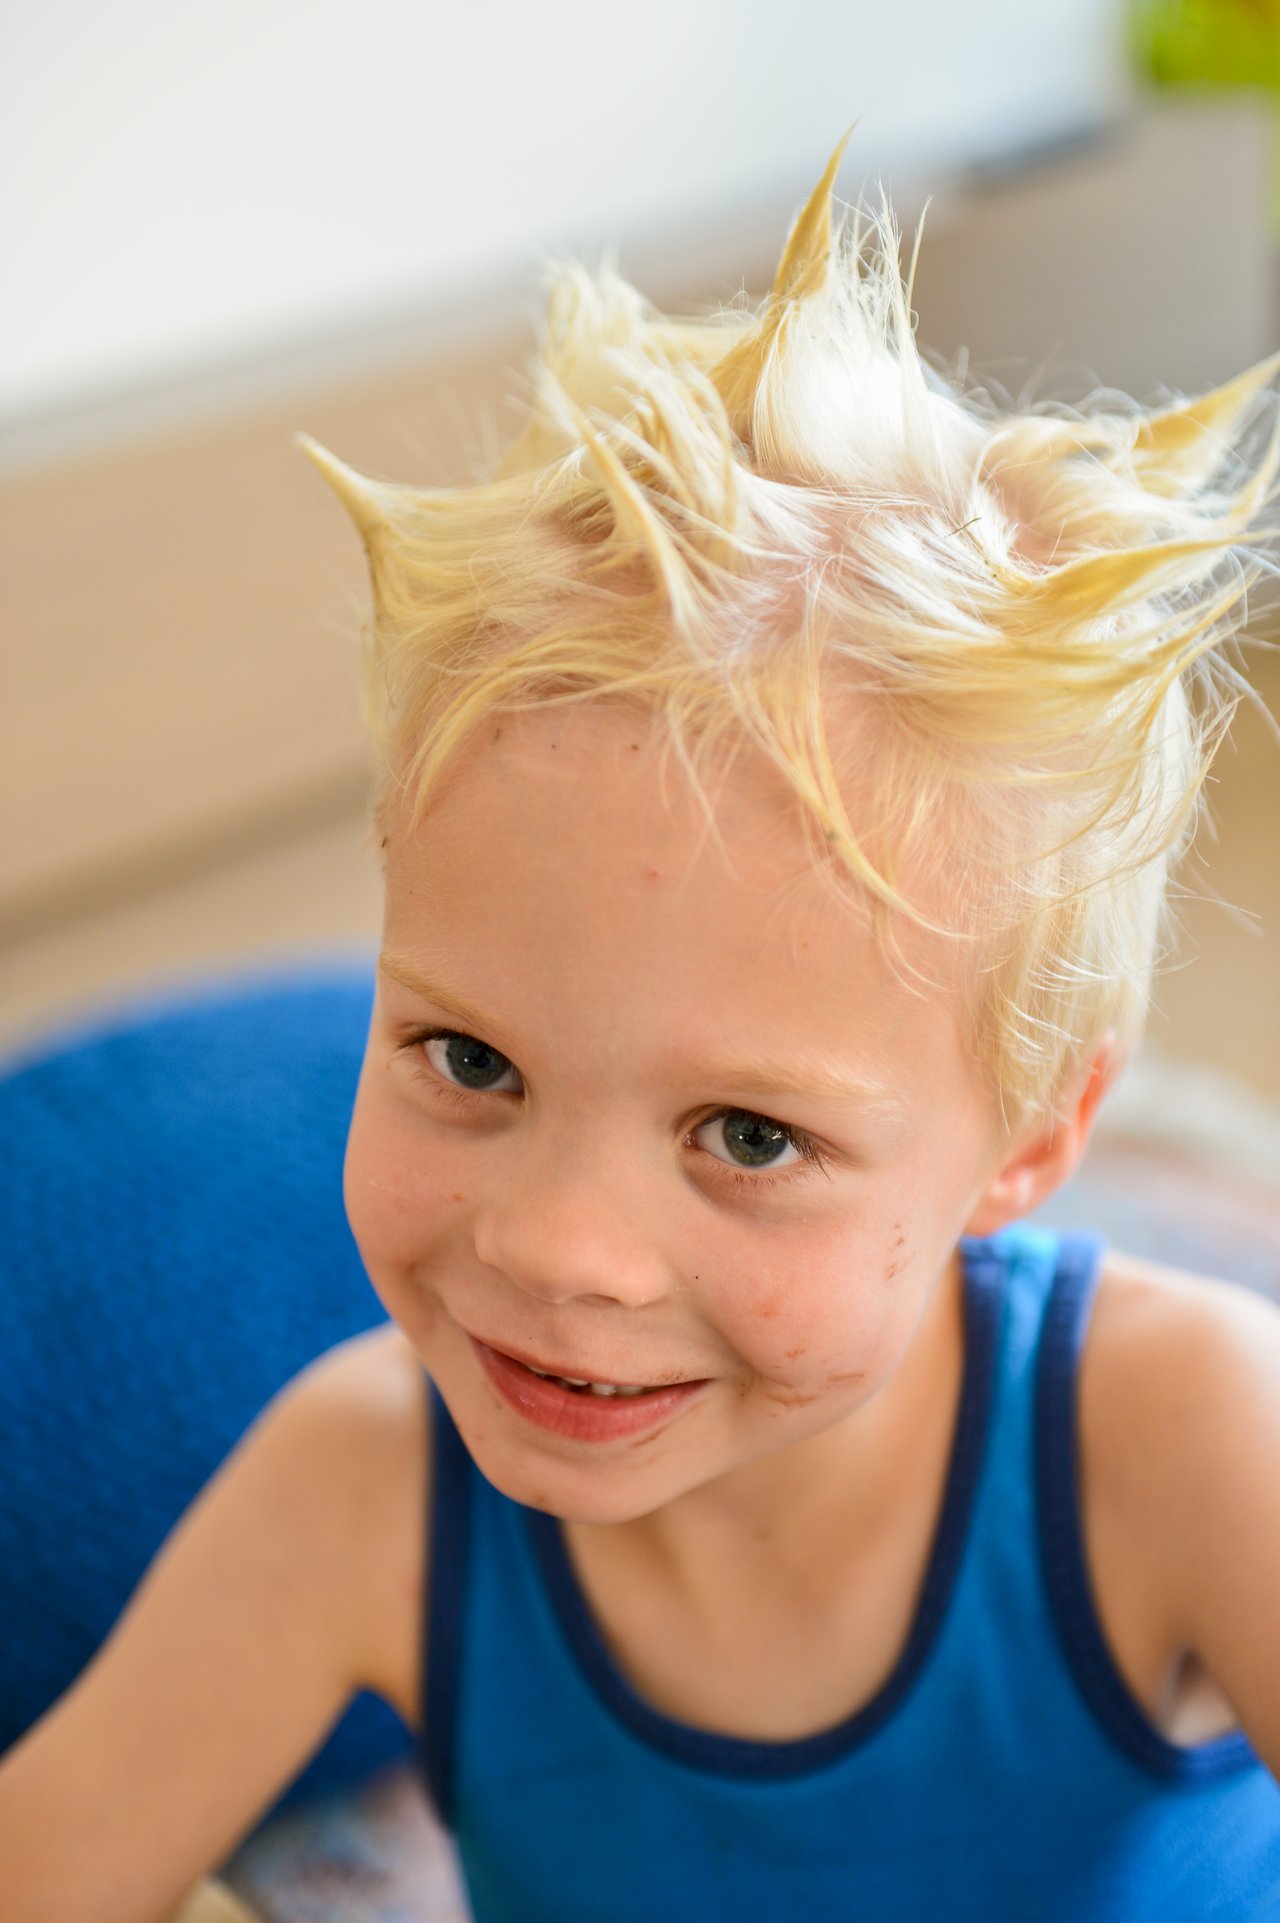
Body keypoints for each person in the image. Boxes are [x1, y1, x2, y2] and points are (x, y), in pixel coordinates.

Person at [3, 135, 1280, 1922]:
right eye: (472, 1063)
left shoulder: (1185, 1436)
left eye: (751, 1137)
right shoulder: (363, 1487)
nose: (557, 1250)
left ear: (1035, 1143)